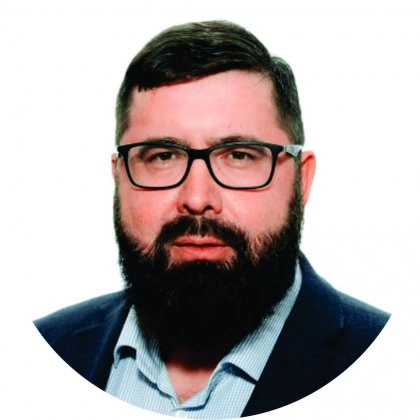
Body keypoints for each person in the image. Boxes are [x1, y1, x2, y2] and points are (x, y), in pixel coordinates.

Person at [34, 20, 390, 418]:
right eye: (163, 156)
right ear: (119, 178)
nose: (197, 199)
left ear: (301, 181)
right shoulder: (41, 353)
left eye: (239, 155)